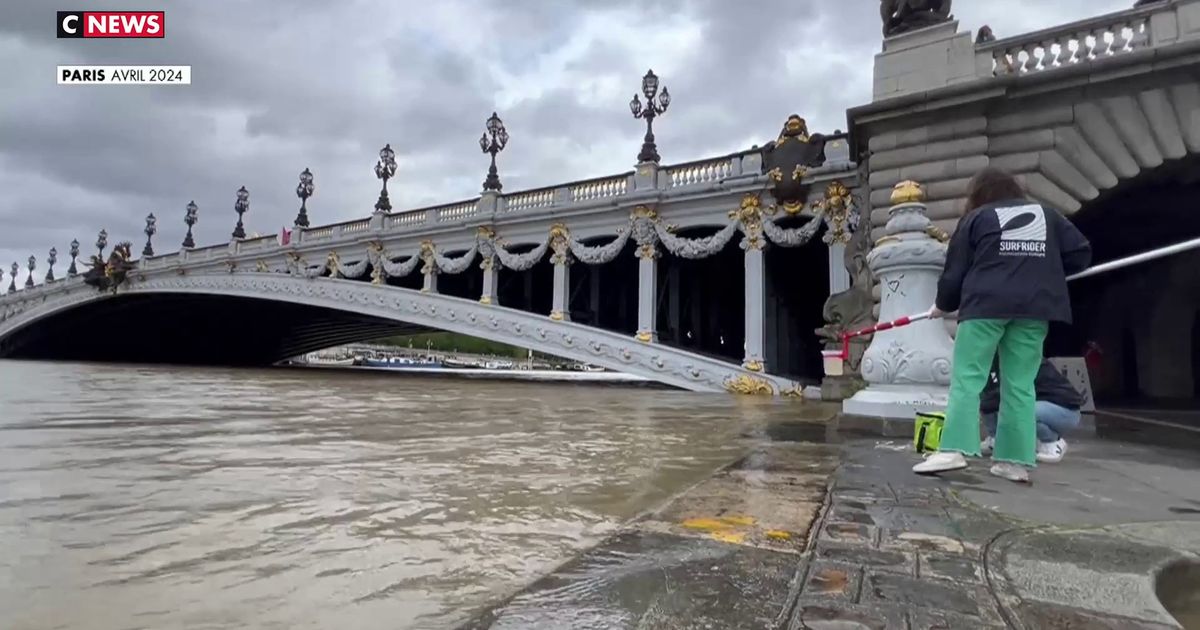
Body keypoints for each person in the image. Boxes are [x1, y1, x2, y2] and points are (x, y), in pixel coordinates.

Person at [912, 167, 1091, 482]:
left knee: (968, 377)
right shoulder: (1046, 215)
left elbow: (955, 271)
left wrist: (942, 305)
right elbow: (1080, 252)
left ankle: (953, 449)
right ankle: (1014, 460)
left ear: (979, 195)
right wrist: (1042, 270)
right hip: (1035, 308)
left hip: (985, 305)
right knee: (1020, 386)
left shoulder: (977, 219)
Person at [979, 356, 1085, 463]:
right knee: (990, 399)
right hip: (1043, 405)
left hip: (1065, 410)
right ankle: (995, 439)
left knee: (1020, 411)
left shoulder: (1026, 359)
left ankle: (1052, 442)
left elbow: (1009, 392)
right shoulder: (997, 361)